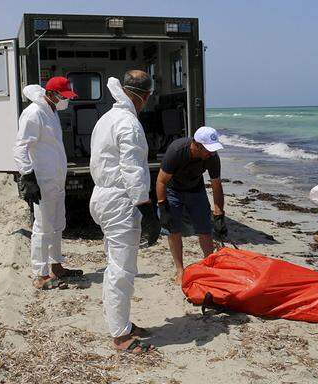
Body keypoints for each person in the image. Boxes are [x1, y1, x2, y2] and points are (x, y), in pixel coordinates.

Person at [89, 71, 160, 354]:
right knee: (122, 268)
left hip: (103, 195)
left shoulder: (106, 118)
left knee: (116, 264)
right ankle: (119, 335)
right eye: (148, 96)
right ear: (141, 95)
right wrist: (147, 207)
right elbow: (131, 169)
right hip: (120, 200)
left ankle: (122, 324)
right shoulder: (129, 123)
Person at [12, 77, 81, 290]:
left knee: (57, 223)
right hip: (41, 180)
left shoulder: (52, 111)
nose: (65, 101)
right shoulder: (34, 113)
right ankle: (40, 274)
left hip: (55, 179)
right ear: (51, 94)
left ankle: (56, 266)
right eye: (63, 97)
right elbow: (20, 147)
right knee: (42, 228)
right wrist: (28, 177)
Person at [156, 126, 226, 284]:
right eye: (208, 149)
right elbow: (161, 181)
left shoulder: (212, 157)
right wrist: (163, 206)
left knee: (205, 229)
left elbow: (216, 185)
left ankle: (209, 265)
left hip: (196, 189)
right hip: (173, 190)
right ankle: (180, 270)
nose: (212, 153)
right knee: (174, 230)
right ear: (197, 145)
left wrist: (219, 214)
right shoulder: (176, 151)